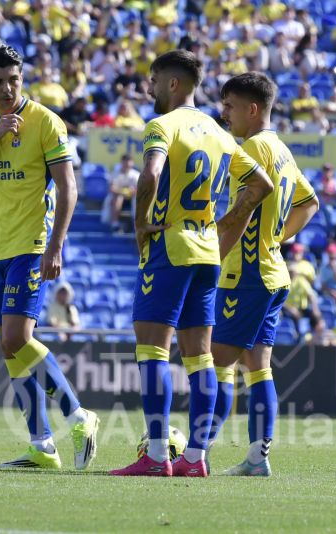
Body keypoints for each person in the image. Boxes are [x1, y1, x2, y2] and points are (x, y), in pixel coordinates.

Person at [110, 52, 273, 478]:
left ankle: (157, 455)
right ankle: (196, 456)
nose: (149, 88)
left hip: (170, 245)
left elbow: (149, 175)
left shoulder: (162, 126)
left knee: (152, 350)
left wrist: (141, 225)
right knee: (200, 358)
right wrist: (227, 221)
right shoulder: (220, 135)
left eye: (153, 80)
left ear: (173, 84)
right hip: (207, 251)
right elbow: (261, 184)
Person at [0, 46, 99, 471]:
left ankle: (78, 414)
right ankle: (42, 445)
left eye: (13, 80)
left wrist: (56, 246)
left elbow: (68, 187)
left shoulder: (46, 122)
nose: (6, 88)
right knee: (10, 348)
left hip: (31, 247)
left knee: (16, 337)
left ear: (23, 80)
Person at [205, 72, 318, 477]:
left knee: (214, 363)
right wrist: (276, 239)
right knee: (258, 366)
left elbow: (243, 210)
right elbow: (310, 203)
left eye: (230, 106)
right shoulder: (280, 149)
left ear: (252, 109)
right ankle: (257, 457)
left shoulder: (253, 147)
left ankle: (195, 452)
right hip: (272, 272)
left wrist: (214, 254)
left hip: (245, 275)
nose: (224, 114)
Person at [105, 153, 141, 232]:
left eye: (129, 162)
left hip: (132, 197)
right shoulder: (115, 174)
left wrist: (131, 191)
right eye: (125, 162)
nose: (127, 165)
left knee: (138, 199)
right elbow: (112, 188)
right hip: (119, 197)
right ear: (122, 162)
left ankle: (137, 223)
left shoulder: (136, 175)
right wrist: (122, 192)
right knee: (117, 198)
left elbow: (139, 189)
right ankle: (115, 223)